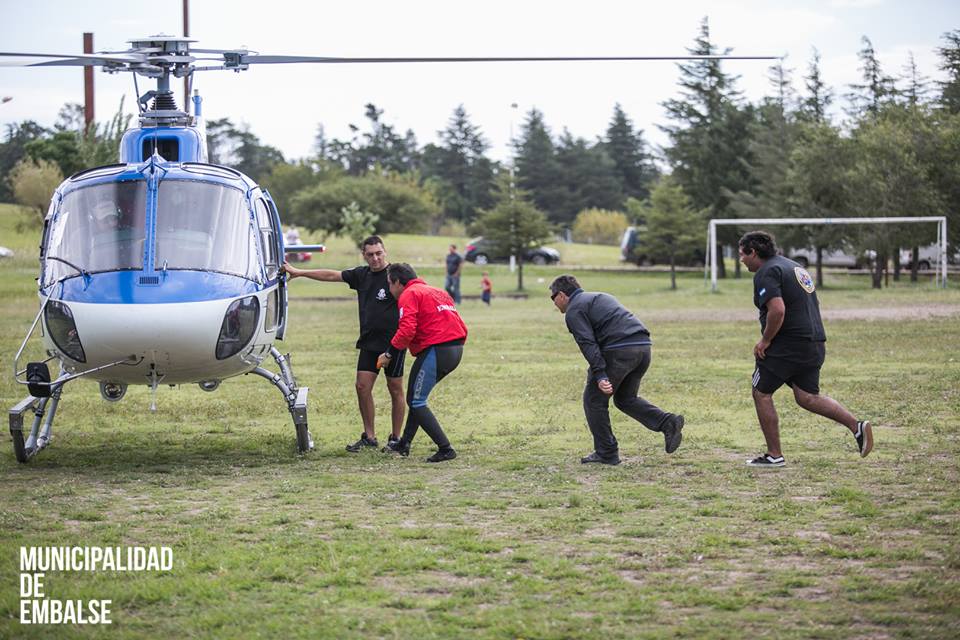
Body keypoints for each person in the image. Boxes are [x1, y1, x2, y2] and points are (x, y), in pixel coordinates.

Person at [738, 230, 873, 467]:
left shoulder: (767, 271)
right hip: (814, 341)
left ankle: (774, 455)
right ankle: (857, 426)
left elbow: (777, 310)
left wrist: (765, 340)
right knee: (807, 397)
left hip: (787, 345)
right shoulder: (794, 267)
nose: (741, 259)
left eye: (742, 254)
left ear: (754, 253)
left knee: (761, 392)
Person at [282, 236, 405, 452]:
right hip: (369, 343)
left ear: (385, 251)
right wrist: (300, 272)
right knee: (362, 387)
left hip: (393, 344)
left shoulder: (396, 275)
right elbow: (331, 275)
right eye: (370, 254)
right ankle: (369, 437)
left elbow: (415, 295)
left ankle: (396, 438)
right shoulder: (361, 275)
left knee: (395, 389)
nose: (375, 258)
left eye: (379, 253)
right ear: (364, 255)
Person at [549, 275, 684, 465]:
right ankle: (667, 422)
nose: (553, 303)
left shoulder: (574, 309)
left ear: (562, 295)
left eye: (553, 297)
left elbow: (587, 343)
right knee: (625, 399)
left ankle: (606, 453)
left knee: (594, 400)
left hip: (619, 352)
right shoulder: (600, 296)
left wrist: (600, 374)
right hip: (643, 348)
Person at [378, 263, 468, 462]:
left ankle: (446, 449)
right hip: (455, 350)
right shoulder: (437, 291)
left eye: (389, 284)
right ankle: (404, 444)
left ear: (398, 282)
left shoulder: (409, 294)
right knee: (416, 398)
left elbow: (407, 330)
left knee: (416, 401)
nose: (389, 290)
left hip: (437, 350)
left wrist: (389, 354)